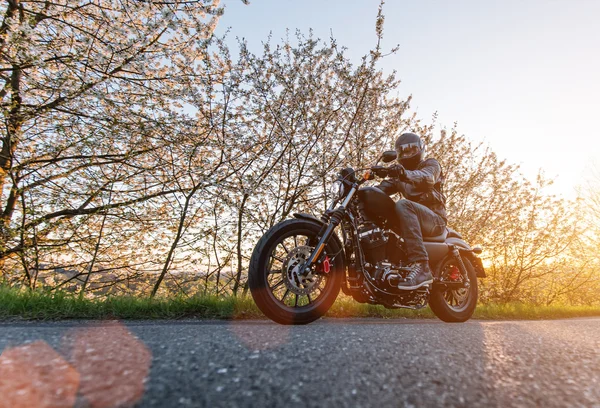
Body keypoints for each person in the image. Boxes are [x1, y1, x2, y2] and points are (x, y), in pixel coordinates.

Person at [375, 132, 447, 290]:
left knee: (403, 204)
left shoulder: (431, 164)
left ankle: (421, 266)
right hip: (414, 219)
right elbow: (379, 192)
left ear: (420, 149)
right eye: (404, 151)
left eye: (412, 150)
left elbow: (426, 177)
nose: (408, 154)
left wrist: (403, 173)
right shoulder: (398, 177)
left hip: (435, 220)